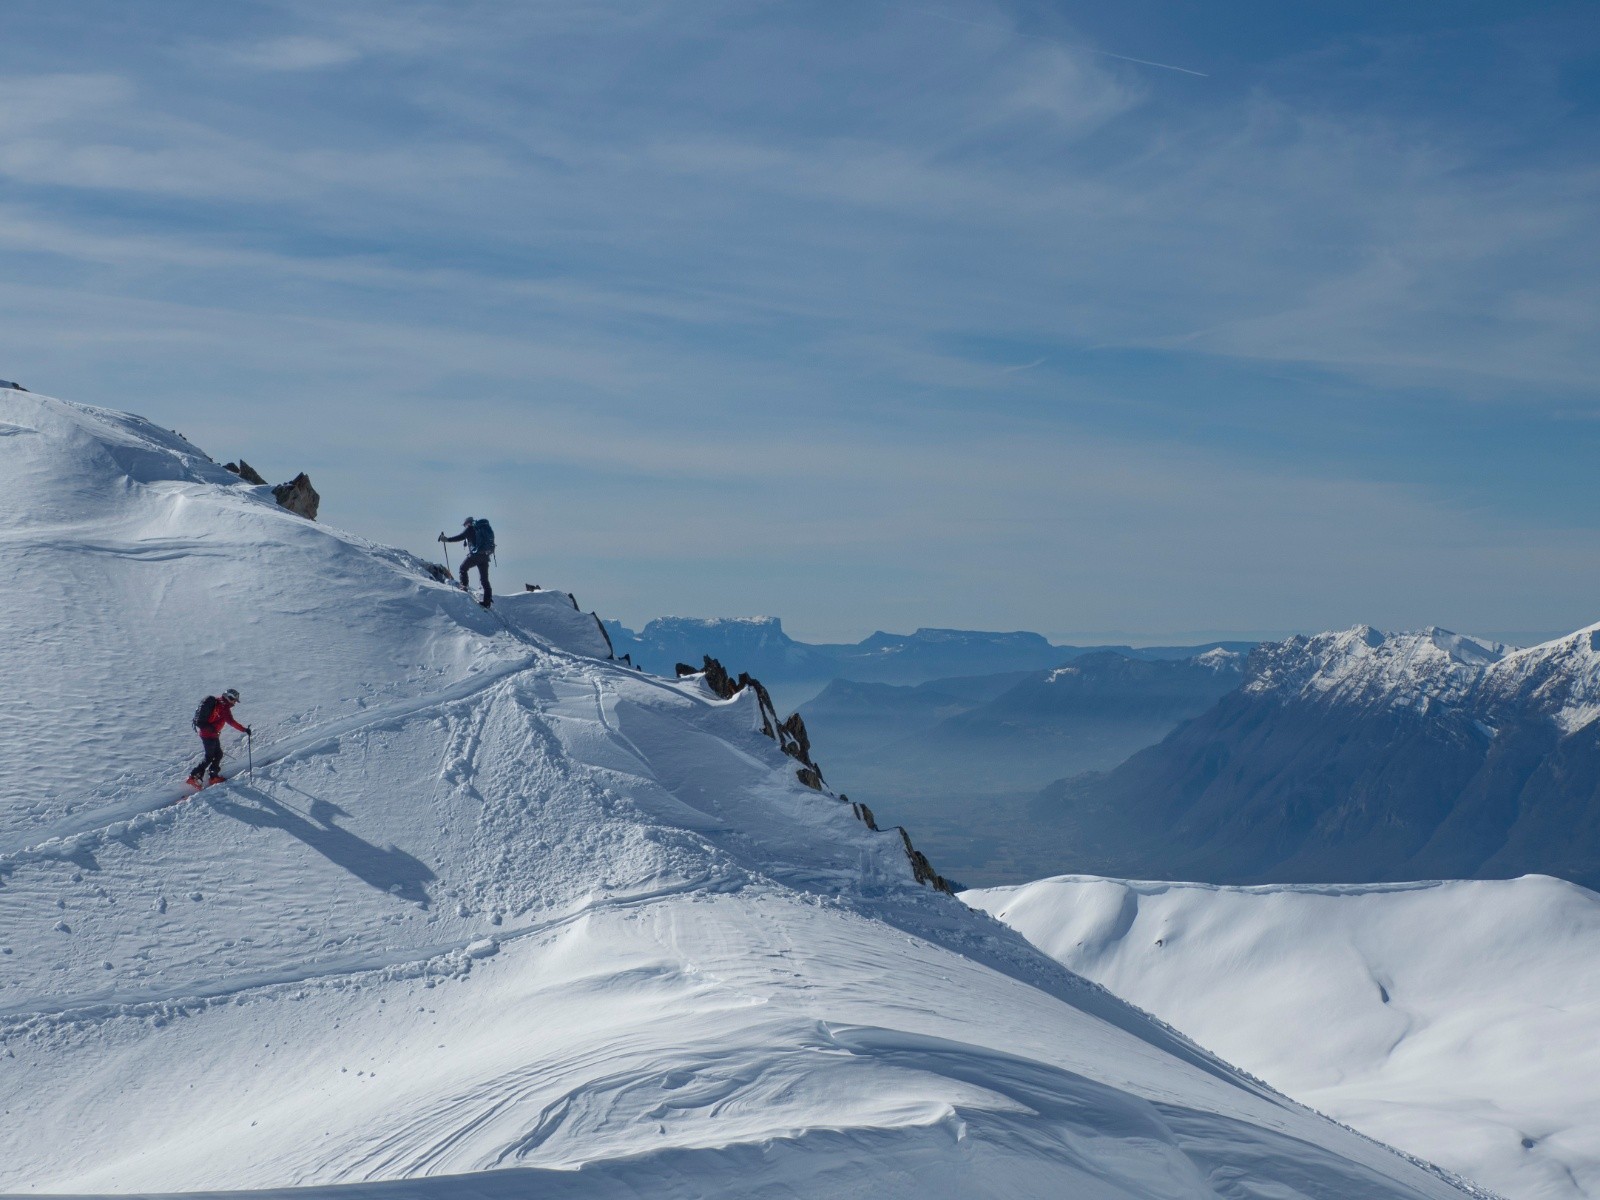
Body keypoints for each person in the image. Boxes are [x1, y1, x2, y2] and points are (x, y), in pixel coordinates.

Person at [188, 688, 249, 787]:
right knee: (209, 757)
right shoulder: (224, 708)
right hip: (208, 735)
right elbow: (232, 722)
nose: (235, 703)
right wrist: (244, 730)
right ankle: (194, 777)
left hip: (211, 734)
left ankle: (213, 776)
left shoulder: (218, 702)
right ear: (229, 698)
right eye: (234, 700)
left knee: (218, 754)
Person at [440, 515, 494, 608]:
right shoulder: (481, 528)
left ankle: (464, 586)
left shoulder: (469, 529)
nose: (465, 526)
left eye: (464, 525)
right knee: (484, 580)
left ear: (467, 523)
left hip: (476, 555)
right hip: (485, 556)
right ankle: (487, 602)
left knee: (463, 568)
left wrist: (446, 539)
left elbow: (459, 537)